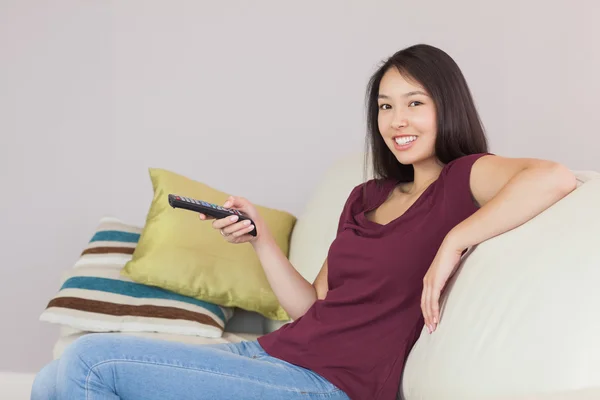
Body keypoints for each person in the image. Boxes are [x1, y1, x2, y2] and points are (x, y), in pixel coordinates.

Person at [31, 43, 577, 400]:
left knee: (89, 361)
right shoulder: (366, 196)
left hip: (329, 384)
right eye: (385, 107)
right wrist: (262, 242)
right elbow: (312, 307)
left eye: (415, 103)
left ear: (447, 108)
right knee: (54, 378)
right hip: (274, 353)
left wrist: (456, 240)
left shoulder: (464, 178)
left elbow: (552, 176)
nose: (398, 120)